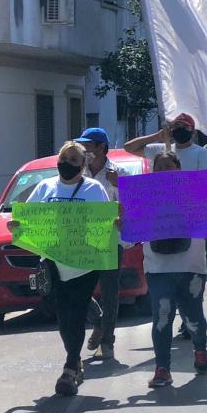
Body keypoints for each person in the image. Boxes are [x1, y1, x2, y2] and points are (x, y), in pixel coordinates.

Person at [11, 141, 114, 397]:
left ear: (83, 164)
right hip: (53, 262)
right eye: (63, 159)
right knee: (63, 315)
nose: (67, 164)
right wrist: (17, 227)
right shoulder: (45, 187)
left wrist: (114, 223)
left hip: (84, 264)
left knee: (75, 312)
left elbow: (105, 224)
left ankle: (69, 368)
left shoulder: (94, 189)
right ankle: (75, 359)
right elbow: (28, 219)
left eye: (73, 160)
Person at [143, 151, 207, 388]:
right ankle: (162, 368)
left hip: (191, 266)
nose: (164, 171)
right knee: (161, 317)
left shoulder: (194, 191)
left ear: (178, 169)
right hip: (158, 268)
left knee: (193, 316)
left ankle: (200, 349)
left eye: (169, 166)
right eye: (159, 167)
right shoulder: (145, 195)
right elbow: (131, 231)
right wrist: (123, 221)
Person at [76, 127, 123, 360]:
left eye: (88, 146)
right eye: (83, 146)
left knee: (110, 293)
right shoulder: (78, 173)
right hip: (82, 242)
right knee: (78, 288)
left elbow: (132, 205)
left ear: (102, 148)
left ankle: (108, 341)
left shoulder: (118, 173)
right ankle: (99, 321)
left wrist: (121, 185)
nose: (84, 150)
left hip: (110, 241)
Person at [125, 113, 207, 172]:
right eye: (177, 126)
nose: (181, 129)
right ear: (171, 130)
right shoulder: (161, 151)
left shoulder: (201, 153)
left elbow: (205, 182)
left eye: (185, 126)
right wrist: (156, 137)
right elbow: (129, 147)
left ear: (193, 132)